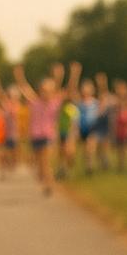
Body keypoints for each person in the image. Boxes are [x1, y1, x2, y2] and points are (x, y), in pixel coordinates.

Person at [12, 61, 78, 196]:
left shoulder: (56, 102)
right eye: (43, 90)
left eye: (48, 91)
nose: (45, 93)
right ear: (39, 91)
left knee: (46, 161)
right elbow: (24, 87)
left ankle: (49, 185)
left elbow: (69, 89)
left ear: (52, 92)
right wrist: (19, 75)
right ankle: (46, 179)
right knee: (40, 165)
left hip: (48, 136)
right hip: (35, 137)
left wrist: (74, 74)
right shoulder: (34, 102)